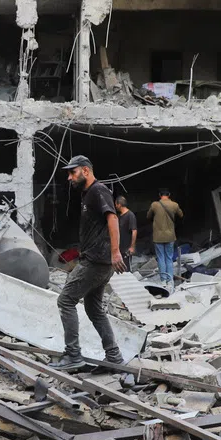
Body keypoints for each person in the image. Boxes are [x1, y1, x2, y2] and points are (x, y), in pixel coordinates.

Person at [55, 156, 126, 368]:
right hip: (98, 260)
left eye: (72, 172)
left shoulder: (98, 190)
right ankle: (113, 356)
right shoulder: (88, 194)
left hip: (96, 261)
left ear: (85, 171)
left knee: (65, 301)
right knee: (93, 309)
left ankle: (73, 355)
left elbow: (112, 219)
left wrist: (115, 253)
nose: (69, 177)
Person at [147, 188, 183, 288]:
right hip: (170, 236)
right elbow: (181, 214)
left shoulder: (154, 205)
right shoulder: (174, 205)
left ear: (159, 195)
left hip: (158, 236)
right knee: (169, 258)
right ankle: (170, 280)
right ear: (169, 194)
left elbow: (148, 216)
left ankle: (163, 281)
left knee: (161, 258)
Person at [115, 196, 137, 272]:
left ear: (119, 204)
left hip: (126, 248)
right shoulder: (119, 216)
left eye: (116, 204)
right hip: (120, 248)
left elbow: (134, 231)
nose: (115, 206)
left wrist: (132, 247)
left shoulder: (130, 215)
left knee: (126, 269)